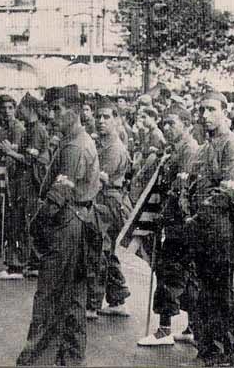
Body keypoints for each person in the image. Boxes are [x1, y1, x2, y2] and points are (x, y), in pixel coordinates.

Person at [16, 85, 100, 366]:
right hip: (74, 223)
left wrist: (38, 223)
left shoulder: (75, 145)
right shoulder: (71, 140)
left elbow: (59, 194)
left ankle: (38, 360)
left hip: (67, 224)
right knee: (73, 298)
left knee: (49, 296)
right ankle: (71, 359)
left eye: (57, 109)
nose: (52, 115)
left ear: (74, 112)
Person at [183, 92, 234, 366]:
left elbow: (226, 193)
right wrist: (185, 203)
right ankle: (209, 347)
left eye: (211, 109)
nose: (205, 115)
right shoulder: (204, 147)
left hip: (220, 225)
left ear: (226, 111)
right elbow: (190, 183)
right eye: (202, 110)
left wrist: (196, 217)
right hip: (200, 225)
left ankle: (230, 348)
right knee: (203, 288)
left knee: (220, 287)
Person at [137, 104, 199, 347]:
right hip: (175, 222)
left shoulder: (188, 151)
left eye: (172, 123)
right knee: (181, 275)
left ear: (186, 124)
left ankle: (164, 330)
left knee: (170, 275)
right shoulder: (175, 150)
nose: (167, 128)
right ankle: (191, 326)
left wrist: (164, 216)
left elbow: (180, 191)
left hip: (177, 223)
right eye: (164, 124)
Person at [0, 93, 50, 280]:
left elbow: (29, 159)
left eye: (21, 108)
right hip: (24, 183)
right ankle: (32, 263)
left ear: (30, 110)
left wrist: (10, 152)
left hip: (29, 184)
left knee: (21, 224)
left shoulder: (36, 130)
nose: (18, 112)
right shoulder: (31, 129)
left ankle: (16, 266)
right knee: (27, 224)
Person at [87, 99, 131, 319]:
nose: (101, 121)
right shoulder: (102, 145)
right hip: (103, 200)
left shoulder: (114, 148)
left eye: (106, 117)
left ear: (116, 120)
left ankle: (93, 303)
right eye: (98, 117)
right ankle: (117, 296)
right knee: (107, 251)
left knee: (99, 251)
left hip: (108, 202)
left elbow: (98, 179)